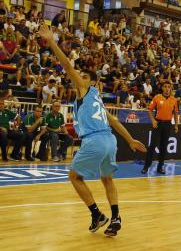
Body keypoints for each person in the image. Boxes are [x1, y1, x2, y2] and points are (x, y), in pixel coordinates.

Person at [38, 24, 146, 236]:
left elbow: (68, 68)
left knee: (74, 176)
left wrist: (51, 42)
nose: (79, 79)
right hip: (109, 140)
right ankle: (116, 218)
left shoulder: (86, 90)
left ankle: (97, 214)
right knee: (107, 179)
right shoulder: (96, 99)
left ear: (90, 82)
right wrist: (131, 140)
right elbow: (114, 122)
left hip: (95, 141)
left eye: (83, 77)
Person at [142, 82, 179, 174]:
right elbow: (150, 110)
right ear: (162, 88)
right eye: (165, 87)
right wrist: (153, 121)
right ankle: (146, 167)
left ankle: (160, 167)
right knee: (152, 146)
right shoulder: (157, 97)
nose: (167, 89)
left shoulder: (174, 100)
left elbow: (175, 113)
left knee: (163, 147)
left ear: (170, 89)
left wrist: (176, 125)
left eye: (169, 87)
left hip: (167, 125)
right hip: (158, 124)